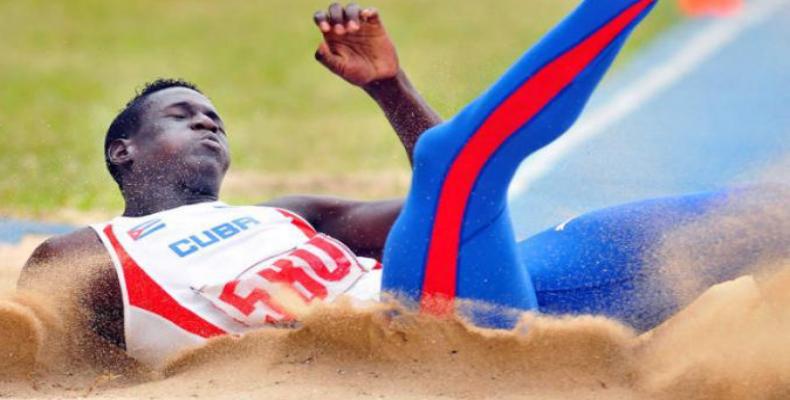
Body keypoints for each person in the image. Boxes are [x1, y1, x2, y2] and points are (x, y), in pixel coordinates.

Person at [16, 0, 768, 368]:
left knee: (728, 227)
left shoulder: (287, 216)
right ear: (124, 151)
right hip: (413, 341)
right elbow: (59, 363)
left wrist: (390, 88)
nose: (209, 123)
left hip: (493, 306)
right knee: (454, 161)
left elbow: (455, 219)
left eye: (215, 115)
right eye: (182, 115)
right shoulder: (88, 255)